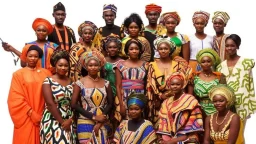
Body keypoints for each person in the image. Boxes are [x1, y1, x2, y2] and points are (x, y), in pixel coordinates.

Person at [7, 45, 51, 144]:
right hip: (26, 116)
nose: (33, 59)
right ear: (26, 57)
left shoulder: (47, 73)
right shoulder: (18, 74)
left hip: (44, 117)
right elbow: (15, 98)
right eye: (30, 56)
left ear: (39, 58)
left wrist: (45, 114)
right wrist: (31, 113)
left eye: (36, 56)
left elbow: (52, 95)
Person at [217, 34, 256, 142]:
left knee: (239, 132)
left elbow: (249, 84)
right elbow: (221, 86)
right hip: (226, 104)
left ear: (237, 46)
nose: (229, 48)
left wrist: (250, 101)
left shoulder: (246, 62)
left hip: (241, 102)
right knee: (226, 133)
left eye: (232, 46)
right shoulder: (221, 66)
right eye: (227, 46)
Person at [147, 37, 192, 127]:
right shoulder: (152, 65)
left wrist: (168, 95)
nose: (163, 51)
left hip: (175, 98)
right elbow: (150, 83)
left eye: (166, 48)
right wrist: (159, 97)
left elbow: (182, 83)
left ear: (170, 50)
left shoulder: (178, 65)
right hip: (157, 101)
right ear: (157, 50)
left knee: (174, 124)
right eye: (161, 49)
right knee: (160, 126)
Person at [71, 50, 113, 143]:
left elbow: (110, 103)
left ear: (99, 67)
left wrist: (101, 118)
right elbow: (74, 104)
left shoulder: (106, 83)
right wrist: (94, 117)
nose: (93, 67)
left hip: (103, 120)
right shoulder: (80, 83)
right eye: (90, 65)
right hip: (85, 120)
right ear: (86, 67)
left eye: (95, 65)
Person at [40, 50, 76, 144]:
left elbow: (75, 104)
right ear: (55, 65)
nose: (63, 68)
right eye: (60, 65)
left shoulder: (72, 82)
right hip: (53, 119)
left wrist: (70, 120)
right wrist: (62, 122)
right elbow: (50, 104)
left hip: (69, 120)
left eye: (66, 65)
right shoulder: (48, 81)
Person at [157, 72, 204, 144]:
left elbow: (193, 124)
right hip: (168, 135)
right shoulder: (166, 103)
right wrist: (163, 140)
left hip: (187, 136)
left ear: (182, 85)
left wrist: (172, 141)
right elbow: (163, 122)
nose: (175, 86)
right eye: (172, 84)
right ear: (169, 86)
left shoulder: (190, 100)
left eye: (178, 84)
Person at [114, 39, 148, 122]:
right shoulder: (120, 65)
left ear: (140, 51)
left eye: (136, 49)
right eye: (131, 49)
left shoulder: (146, 65)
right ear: (127, 51)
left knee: (140, 121)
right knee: (126, 121)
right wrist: (121, 105)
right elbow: (118, 86)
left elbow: (147, 84)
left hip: (140, 95)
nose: (134, 51)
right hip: (125, 96)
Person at [188, 48, 225, 116]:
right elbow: (191, 96)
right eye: (203, 62)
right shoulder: (194, 76)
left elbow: (224, 95)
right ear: (199, 63)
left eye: (208, 61)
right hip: (199, 108)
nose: (206, 64)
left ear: (212, 62)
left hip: (216, 109)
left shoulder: (220, 76)